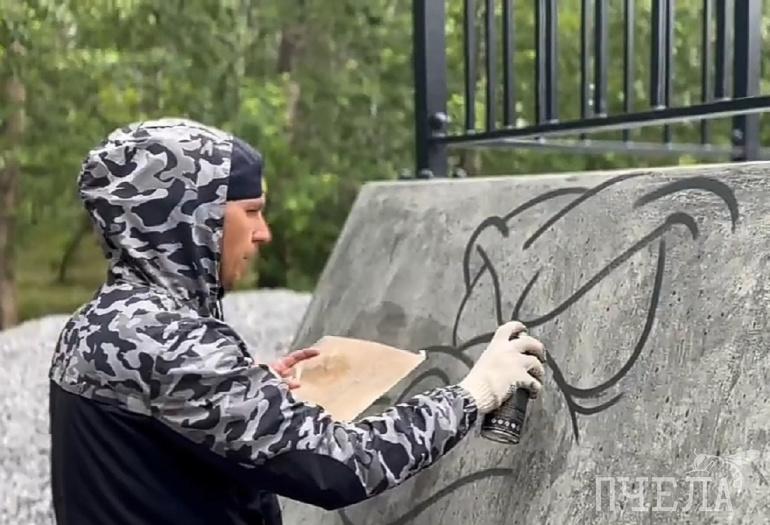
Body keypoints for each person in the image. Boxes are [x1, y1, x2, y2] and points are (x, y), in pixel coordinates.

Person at [48, 118, 547, 525]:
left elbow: (154, 437)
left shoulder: (95, 323)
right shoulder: (175, 344)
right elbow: (342, 465)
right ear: (192, 220)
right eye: (251, 211)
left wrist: (246, 386)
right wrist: (473, 393)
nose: (263, 232)